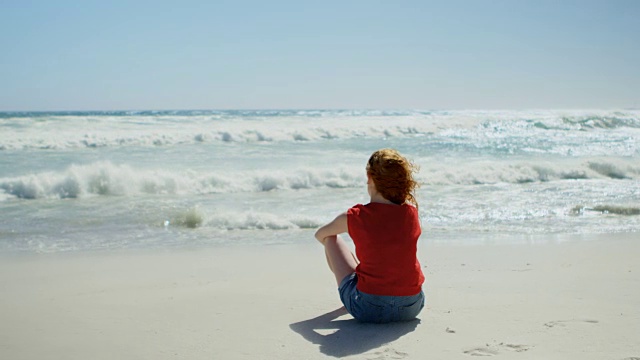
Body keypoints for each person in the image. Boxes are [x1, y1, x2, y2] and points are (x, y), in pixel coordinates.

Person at [314, 148, 425, 323]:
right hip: (411, 306)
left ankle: (350, 295)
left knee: (331, 238)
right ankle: (361, 283)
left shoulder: (356, 216)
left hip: (368, 308)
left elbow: (319, 234)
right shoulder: (411, 213)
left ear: (369, 177)